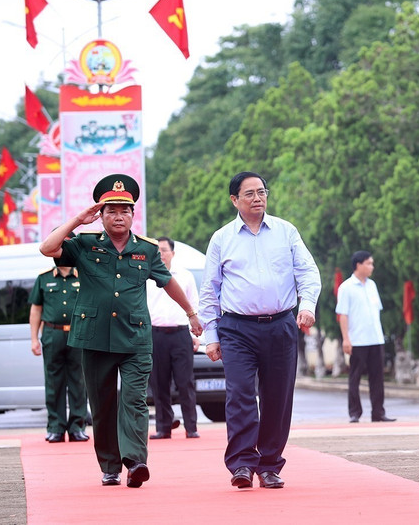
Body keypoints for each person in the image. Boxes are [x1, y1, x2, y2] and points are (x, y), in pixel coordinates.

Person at [39, 174, 200, 489]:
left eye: (124, 210)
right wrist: (77, 220)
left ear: (133, 214)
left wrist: (191, 314)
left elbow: (167, 282)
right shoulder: (84, 245)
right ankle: (110, 466)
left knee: (135, 400)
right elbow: (48, 248)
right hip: (94, 337)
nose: (118, 216)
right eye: (111, 210)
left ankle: (136, 461)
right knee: (102, 405)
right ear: (100, 215)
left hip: (135, 338)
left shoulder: (148, 251)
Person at [198, 171, 321, 490]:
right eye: (249, 193)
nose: (257, 198)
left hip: (281, 324)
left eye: (262, 192)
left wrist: (307, 305)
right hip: (237, 328)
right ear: (234, 200)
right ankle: (241, 464)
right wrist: (211, 336)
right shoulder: (222, 238)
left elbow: (308, 272)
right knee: (239, 395)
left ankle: (269, 464)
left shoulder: (286, 232)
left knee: (278, 398)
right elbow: (210, 290)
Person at [28, 253, 89, 444]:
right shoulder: (44, 278)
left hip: (78, 334)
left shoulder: (83, 276)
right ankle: (55, 427)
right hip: (52, 334)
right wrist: (34, 339)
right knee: (54, 383)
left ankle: (77, 427)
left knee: (78, 382)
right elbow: (36, 309)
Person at [147, 236, 201, 440]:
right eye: (157, 250)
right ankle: (164, 427)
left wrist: (196, 335)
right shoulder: (147, 276)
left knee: (185, 381)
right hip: (156, 334)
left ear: (173, 253)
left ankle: (191, 426)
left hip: (180, 334)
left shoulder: (185, 276)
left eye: (164, 249)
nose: (160, 254)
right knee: (159, 383)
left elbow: (194, 304)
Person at [337, 250, 396, 424]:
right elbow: (343, 315)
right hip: (357, 340)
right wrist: (346, 339)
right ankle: (355, 413)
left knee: (377, 378)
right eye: (369, 263)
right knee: (355, 377)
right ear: (358, 265)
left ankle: (378, 412)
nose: (372, 267)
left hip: (376, 339)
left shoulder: (372, 285)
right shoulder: (346, 288)